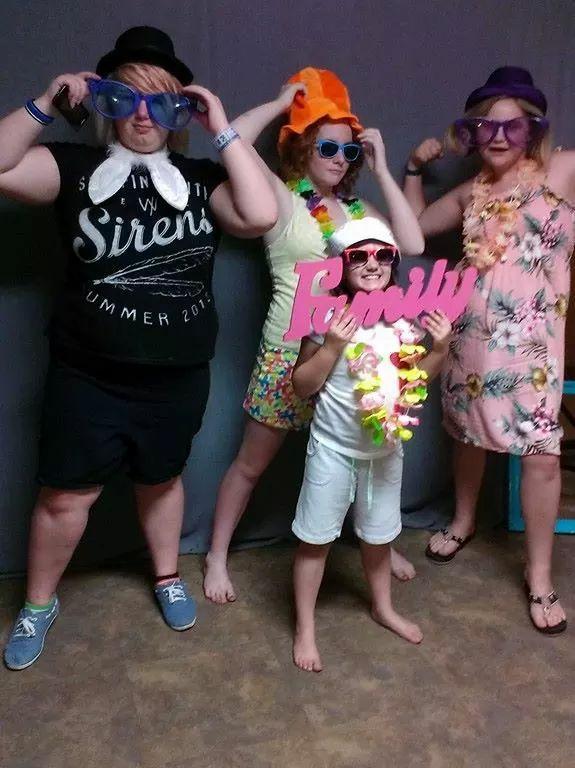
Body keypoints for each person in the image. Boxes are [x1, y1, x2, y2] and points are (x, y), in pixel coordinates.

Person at [1, 26, 277, 670]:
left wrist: (220, 126)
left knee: (161, 481)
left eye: (161, 102)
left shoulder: (201, 178)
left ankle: (166, 575)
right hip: (87, 374)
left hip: (177, 375)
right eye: (126, 99)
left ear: (181, 111)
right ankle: (38, 604)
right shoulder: (71, 168)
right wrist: (46, 101)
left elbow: (261, 214)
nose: (144, 116)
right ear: (106, 105)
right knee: (66, 497)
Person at [203, 68, 425, 603]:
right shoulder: (280, 198)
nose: (339, 159)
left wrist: (382, 171)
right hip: (289, 353)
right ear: (302, 147)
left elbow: (412, 243)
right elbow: (231, 137)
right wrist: (281, 103)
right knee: (251, 464)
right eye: (327, 147)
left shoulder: (358, 211)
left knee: (361, 463)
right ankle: (215, 556)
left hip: (355, 359)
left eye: (348, 151)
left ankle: (376, 544)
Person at [403, 66, 575, 634]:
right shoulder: (469, 192)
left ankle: (540, 576)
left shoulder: (563, 170)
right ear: (472, 133)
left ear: (534, 130)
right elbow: (415, 229)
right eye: (486, 127)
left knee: (541, 455)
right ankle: (463, 520)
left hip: (532, 348)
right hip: (468, 339)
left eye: (513, 126)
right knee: (466, 433)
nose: (498, 137)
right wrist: (413, 170)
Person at [290, 216, 452, 671]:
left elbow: (413, 381)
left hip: (385, 451)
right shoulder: (326, 317)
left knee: (379, 538)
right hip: (333, 449)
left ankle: (383, 607)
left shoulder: (403, 320)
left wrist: (440, 349)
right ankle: (305, 627)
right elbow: (301, 386)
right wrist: (332, 346)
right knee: (315, 542)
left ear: (394, 262)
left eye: (383, 254)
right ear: (340, 266)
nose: (372, 263)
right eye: (358, 256)